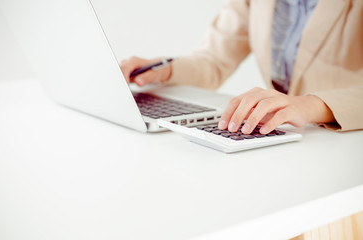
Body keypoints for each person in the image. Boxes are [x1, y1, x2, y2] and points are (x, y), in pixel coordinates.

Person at [121, 0, 363, 238]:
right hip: (284, 156)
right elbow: (213, 61)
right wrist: (166, 69)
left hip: (346, 161)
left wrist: (311, 104)